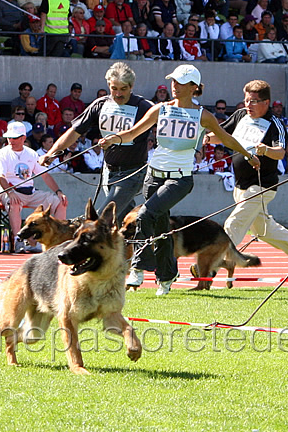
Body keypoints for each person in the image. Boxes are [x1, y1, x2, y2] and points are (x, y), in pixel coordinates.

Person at [99, 64, 259, 296]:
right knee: (162, 230)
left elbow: (227, 139)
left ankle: (138, 268)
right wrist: (114, 139)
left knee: (144, 215)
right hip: (153, 176)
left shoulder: (203, 115)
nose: (174, 87)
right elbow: (133, 132)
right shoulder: (159, 109)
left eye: (181, 83)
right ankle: (166, 277)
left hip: (180, 179)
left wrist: (248, 154)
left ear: (194, 87)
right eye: (173, 82)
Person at [205, 80, 288, 279]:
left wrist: (266, 150)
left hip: (262, 186)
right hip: (240, 185)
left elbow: (280, 152)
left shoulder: (275, 123)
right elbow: (222, 134)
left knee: (234, 222)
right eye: (246, 100)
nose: (248, 105)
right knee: (263, 229)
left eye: (253, 101)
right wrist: (207, 138)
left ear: (266, 102)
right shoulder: (240, 115)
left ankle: (212, 263)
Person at [40, 62, 153, 223]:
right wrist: (51, 153)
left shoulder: (144, 107)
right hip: (109, 171)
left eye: (123, 89)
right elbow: (74, 132)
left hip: (133, 173)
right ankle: (140, 243)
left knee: (101, 219)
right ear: (108, 85)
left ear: (132, 86)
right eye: (114, 88)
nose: (118, 94)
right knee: (123, 218)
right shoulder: (101, 105)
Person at [0, 122, 68, 253]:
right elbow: (0, 177)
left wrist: (59, 192)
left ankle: (58, 239)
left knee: (60, 202)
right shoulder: (2, 153)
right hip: (9, 191)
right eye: (9, 137)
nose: (11, 140)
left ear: (23, 138)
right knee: (14, 203)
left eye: (14, 138)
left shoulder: (32, 154)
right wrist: (10, 192)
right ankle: (18, 240)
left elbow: (45, 175)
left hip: (30, 192)